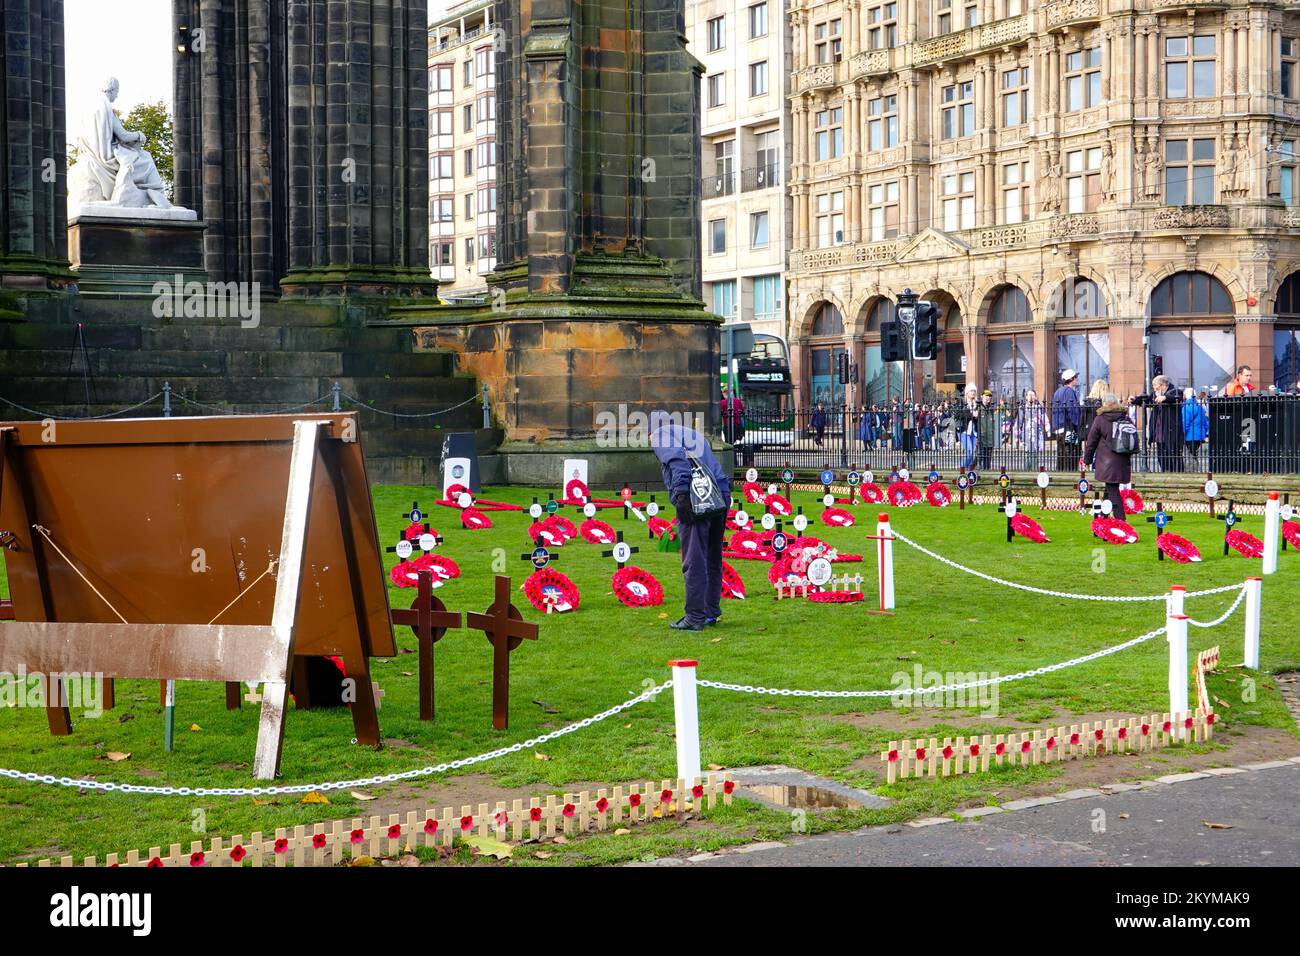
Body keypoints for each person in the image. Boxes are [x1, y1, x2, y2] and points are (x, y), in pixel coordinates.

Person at [651, 418, 730, 631]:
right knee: (713, 556)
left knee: (694, 558)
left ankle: (695, 617)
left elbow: (678, 463)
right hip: (721, 493)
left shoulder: (660, 435)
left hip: (697, 498)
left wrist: (682, 495)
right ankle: (710, 612)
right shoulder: (692, 434)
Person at [1082, 392, 1132, 520]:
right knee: (1110, 487)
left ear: (1104, 403)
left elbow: (1091, 441)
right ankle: (1103, 517)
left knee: (1113, 490)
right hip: (1123, 459)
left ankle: (1121, 520)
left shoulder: (1100, 419)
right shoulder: (1125, 417)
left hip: (1107, 461)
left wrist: (1086, 460)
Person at [1137, 374, 1183, 472]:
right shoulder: (1155, 394)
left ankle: (1177, 475)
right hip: (1159, 433)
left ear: (1162, 385)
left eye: (1155, 385)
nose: (1153, 388)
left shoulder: (1175, 391)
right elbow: (1146, 399)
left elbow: (1177, 397)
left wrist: (1165, 398)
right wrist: (1135, 400)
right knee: (1161, 457)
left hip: (1171, 432)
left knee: (1174, 456)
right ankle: (1165, 473)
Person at [1051, 369, 1082, 470]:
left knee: (1061, 455)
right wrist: (1078, 427)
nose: (1077, 379)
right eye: (1075, 377)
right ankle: (1070, 475)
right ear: (1071, 379)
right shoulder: (1070, 392)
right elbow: (1073, 412)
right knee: (1071, 454)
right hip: (1068, 428)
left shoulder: (1057, 392)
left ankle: (1060, 473)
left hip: (1059, 428)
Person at [1016, 389, 1049, 471]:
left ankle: (1034, 471)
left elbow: (1044, 418)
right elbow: (1019, 422)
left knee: (1035, 453)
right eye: (1029, 395)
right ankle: (1027, 471)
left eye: (1033, 395)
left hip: (1037, 433)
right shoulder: (1023, 408)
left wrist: (1047, 428)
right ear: (1026, 397)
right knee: (1028, 453)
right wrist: (1017, 435)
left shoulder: (1039, 408)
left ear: (1035, 397)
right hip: (1026, 433)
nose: (1031, 397)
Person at [1181, 386, 1209, 470]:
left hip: (1189, 436)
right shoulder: (1200, 407)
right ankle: (1195, 469)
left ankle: (1193, 470)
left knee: (1190, 455)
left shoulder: (1186, 407)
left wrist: (1182, 434)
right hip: (1199, 436)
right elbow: (1205, 423)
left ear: (1185, 396)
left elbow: (1185, 423)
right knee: (1194, 454)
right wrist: (1204, 434)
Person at [954, 384, 980, 469]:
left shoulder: (977, 404)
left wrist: (977, 416)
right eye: (971, 391)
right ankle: (962, 469)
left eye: (974, 391)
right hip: (964, 431)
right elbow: (958, 414)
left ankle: (969, 473)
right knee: (970, 452)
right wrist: (971, 414)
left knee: (973, 454)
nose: (973, 393)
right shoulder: (961, 402)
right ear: (967, 392)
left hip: (974, 431)